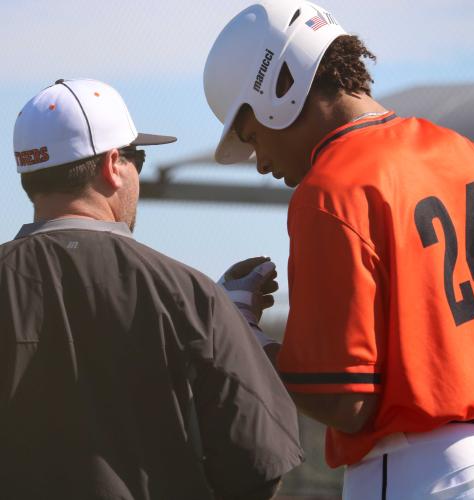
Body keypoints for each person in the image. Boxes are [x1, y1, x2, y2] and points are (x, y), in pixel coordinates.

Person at [203, 1, 474, 498]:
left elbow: (343, 399)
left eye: (254, 137)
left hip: (417, 470)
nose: (260, 163)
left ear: (281, 91)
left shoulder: (330, 190)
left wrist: (245, 340)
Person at [3, 78, 303, 500]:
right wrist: (234, 327)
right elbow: (258, 464)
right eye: (136, 158)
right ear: (112, 165)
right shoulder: (194, 298)